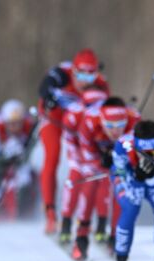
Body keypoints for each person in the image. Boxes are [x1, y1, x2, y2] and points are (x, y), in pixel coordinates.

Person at [38, 48, 110, 234]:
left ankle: (85, 216)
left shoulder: (101, 85)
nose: (84, 82)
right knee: (52, 156)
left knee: (86, 164)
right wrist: (49, 98)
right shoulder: (61, 74)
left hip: (79, 124)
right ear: (73, 70)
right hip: (53, 117)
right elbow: (44, 87)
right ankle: (51, 214)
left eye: (90, 76)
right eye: (80, 75)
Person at [71, 96, 139, 261]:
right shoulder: (89, 122)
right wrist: (100, 161)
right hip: (95, 156)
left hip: (121, 158)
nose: (115, 131)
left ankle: (115, 237)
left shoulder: (135, 122)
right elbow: (85, 154)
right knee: (89, 187)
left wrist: (120, 160)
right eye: (109, 126)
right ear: (102, 120)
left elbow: (136, 155)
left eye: (120, 126)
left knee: (122, 190)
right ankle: (81, 238)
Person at [111, 120, 154, 261]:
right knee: (130, 207)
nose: (148, 156)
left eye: (152, 152)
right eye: (142, 152)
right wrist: (135, 176)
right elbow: (120, 174)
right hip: (130, 178)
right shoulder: (123, 145)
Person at [59, 88, 109, 246]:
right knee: (75, 183)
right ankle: (66, 224)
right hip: (79, 155)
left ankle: (101, 225)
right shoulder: (74, 115)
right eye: (91, 105)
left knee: (104, 185)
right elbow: (69, 139)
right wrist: (78, 160)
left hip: (96, 154)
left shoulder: (105, 116)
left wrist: (104, 154)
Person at [0, 99, 37, 220]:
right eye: (11, 123)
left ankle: (23, 211)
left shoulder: (29, 124)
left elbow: (31, 147)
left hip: (18, 157)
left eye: (18, 123)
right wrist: (3, 158)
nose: (15, 127)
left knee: (25, 175)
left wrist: (21, 156)